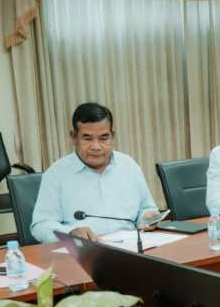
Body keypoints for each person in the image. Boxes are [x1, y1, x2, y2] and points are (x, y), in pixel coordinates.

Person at [30, 103, 159, 242]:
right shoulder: (56, 174)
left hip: (132, 245)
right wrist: (70, 233)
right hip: (83, 249)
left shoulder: (129, 166)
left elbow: (146, 207)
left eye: (103, 138)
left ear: (112, 136)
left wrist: (147, 217)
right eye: (87, 139)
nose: (96, 147)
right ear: (74, 137)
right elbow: (41, 225)